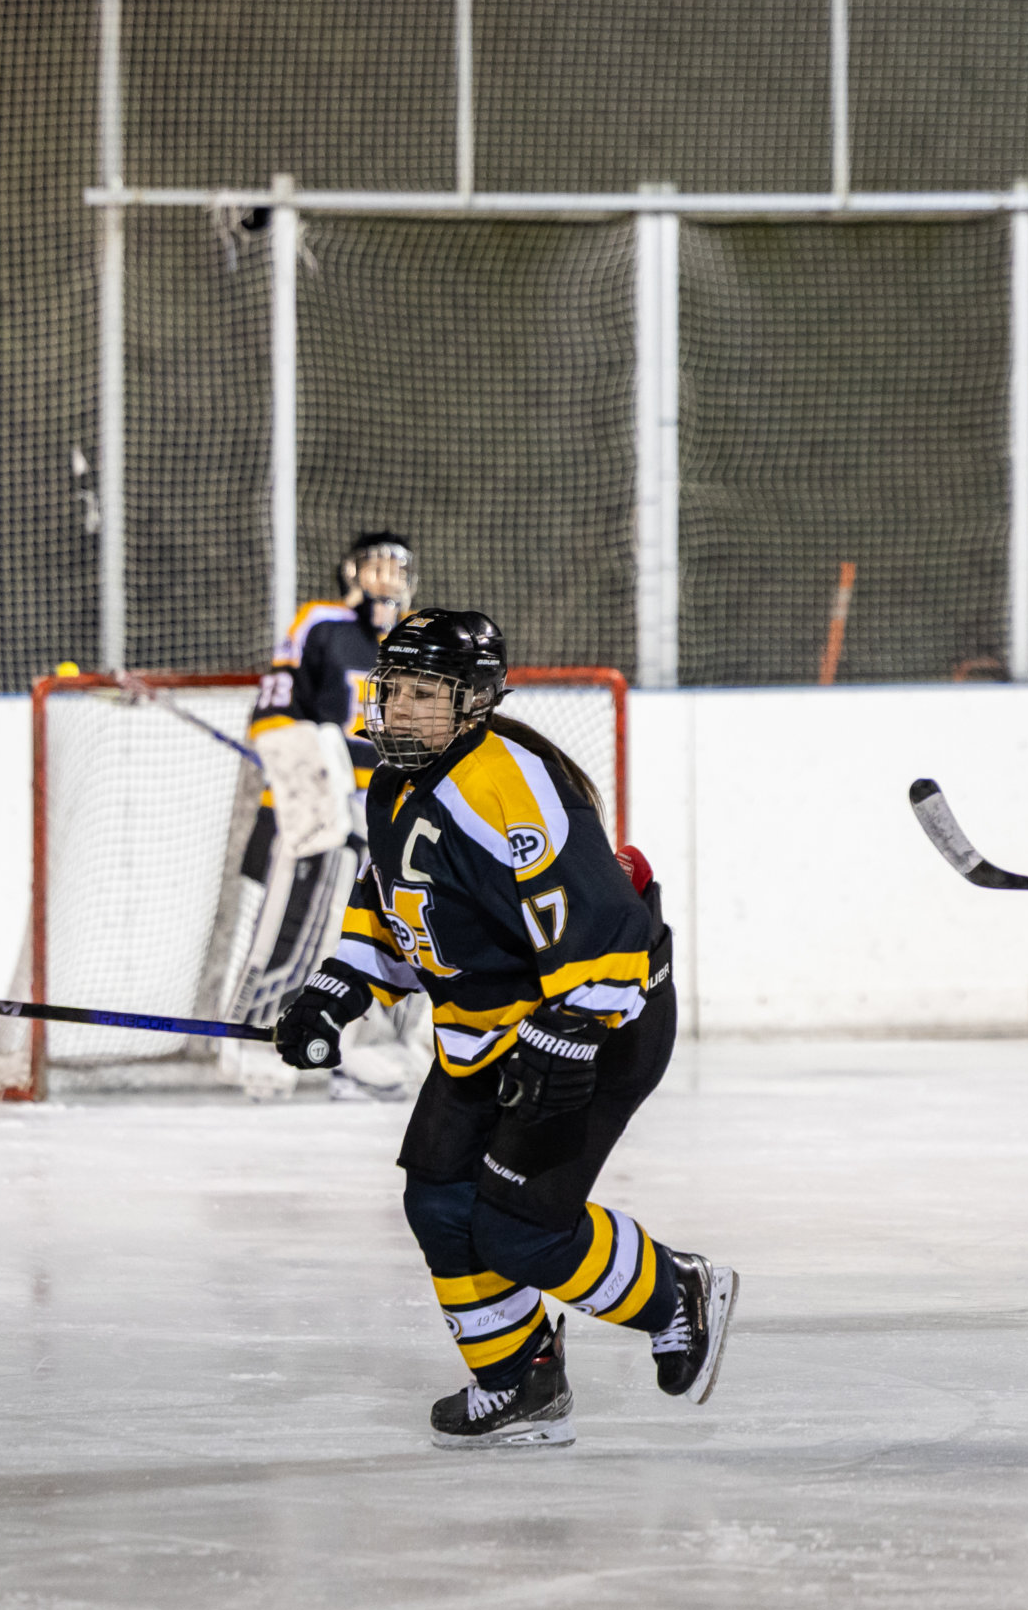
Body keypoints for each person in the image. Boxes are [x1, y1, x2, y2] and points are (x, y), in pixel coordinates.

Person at [269, 608, 737, 1445]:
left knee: (519, 1229)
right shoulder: (393, 782)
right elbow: (398, 907)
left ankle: (678, 1292)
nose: (400, 708)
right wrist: (338, 990)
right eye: (393, 689)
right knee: (440, 1202)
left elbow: (606, 927)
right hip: (489, 1032)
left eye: (425, 694)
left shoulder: (504, 784)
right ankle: (521, 1381)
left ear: (474, 701)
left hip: (602, 1025)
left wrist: (566, 1038)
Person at [217, 533, 418, 1096]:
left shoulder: (416, 640)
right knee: (296, 926)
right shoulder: (321, 624)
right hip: (319, 811)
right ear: (350, 573)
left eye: (398, 569)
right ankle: (259, 1041)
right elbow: (274, 711)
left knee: (398, 931)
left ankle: (371, 1050)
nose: (389, 580)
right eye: (377, 567)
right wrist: (311, 777)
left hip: (388, 813)